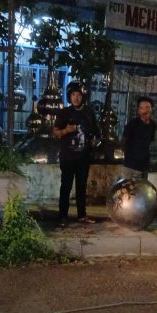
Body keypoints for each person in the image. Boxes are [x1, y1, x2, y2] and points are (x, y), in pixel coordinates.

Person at [52, 80, 99, 227]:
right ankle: (62, 217)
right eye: (73, 95)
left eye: (78, 95)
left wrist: (95, 141)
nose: (76, 98)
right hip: (67, 156)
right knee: (65, 186)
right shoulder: (64, 113)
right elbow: (55, 132)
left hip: (83, 157)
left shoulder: (89, 113)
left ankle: (82, 215)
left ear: (83, 96)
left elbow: (96, 132)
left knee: (81, 187)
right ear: (69, 96)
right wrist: (66, 130)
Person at [121, 96, 156, 179]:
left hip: (144, 163)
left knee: (143, 185)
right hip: (131, 164)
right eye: (142, 108)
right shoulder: (132, 124)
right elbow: (123, 142)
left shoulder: (153, 124)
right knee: (130, 185)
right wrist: (128, 157)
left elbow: (150, 140)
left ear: (152, 109)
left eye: (147, 107)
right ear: (138, 111)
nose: (145, 110)